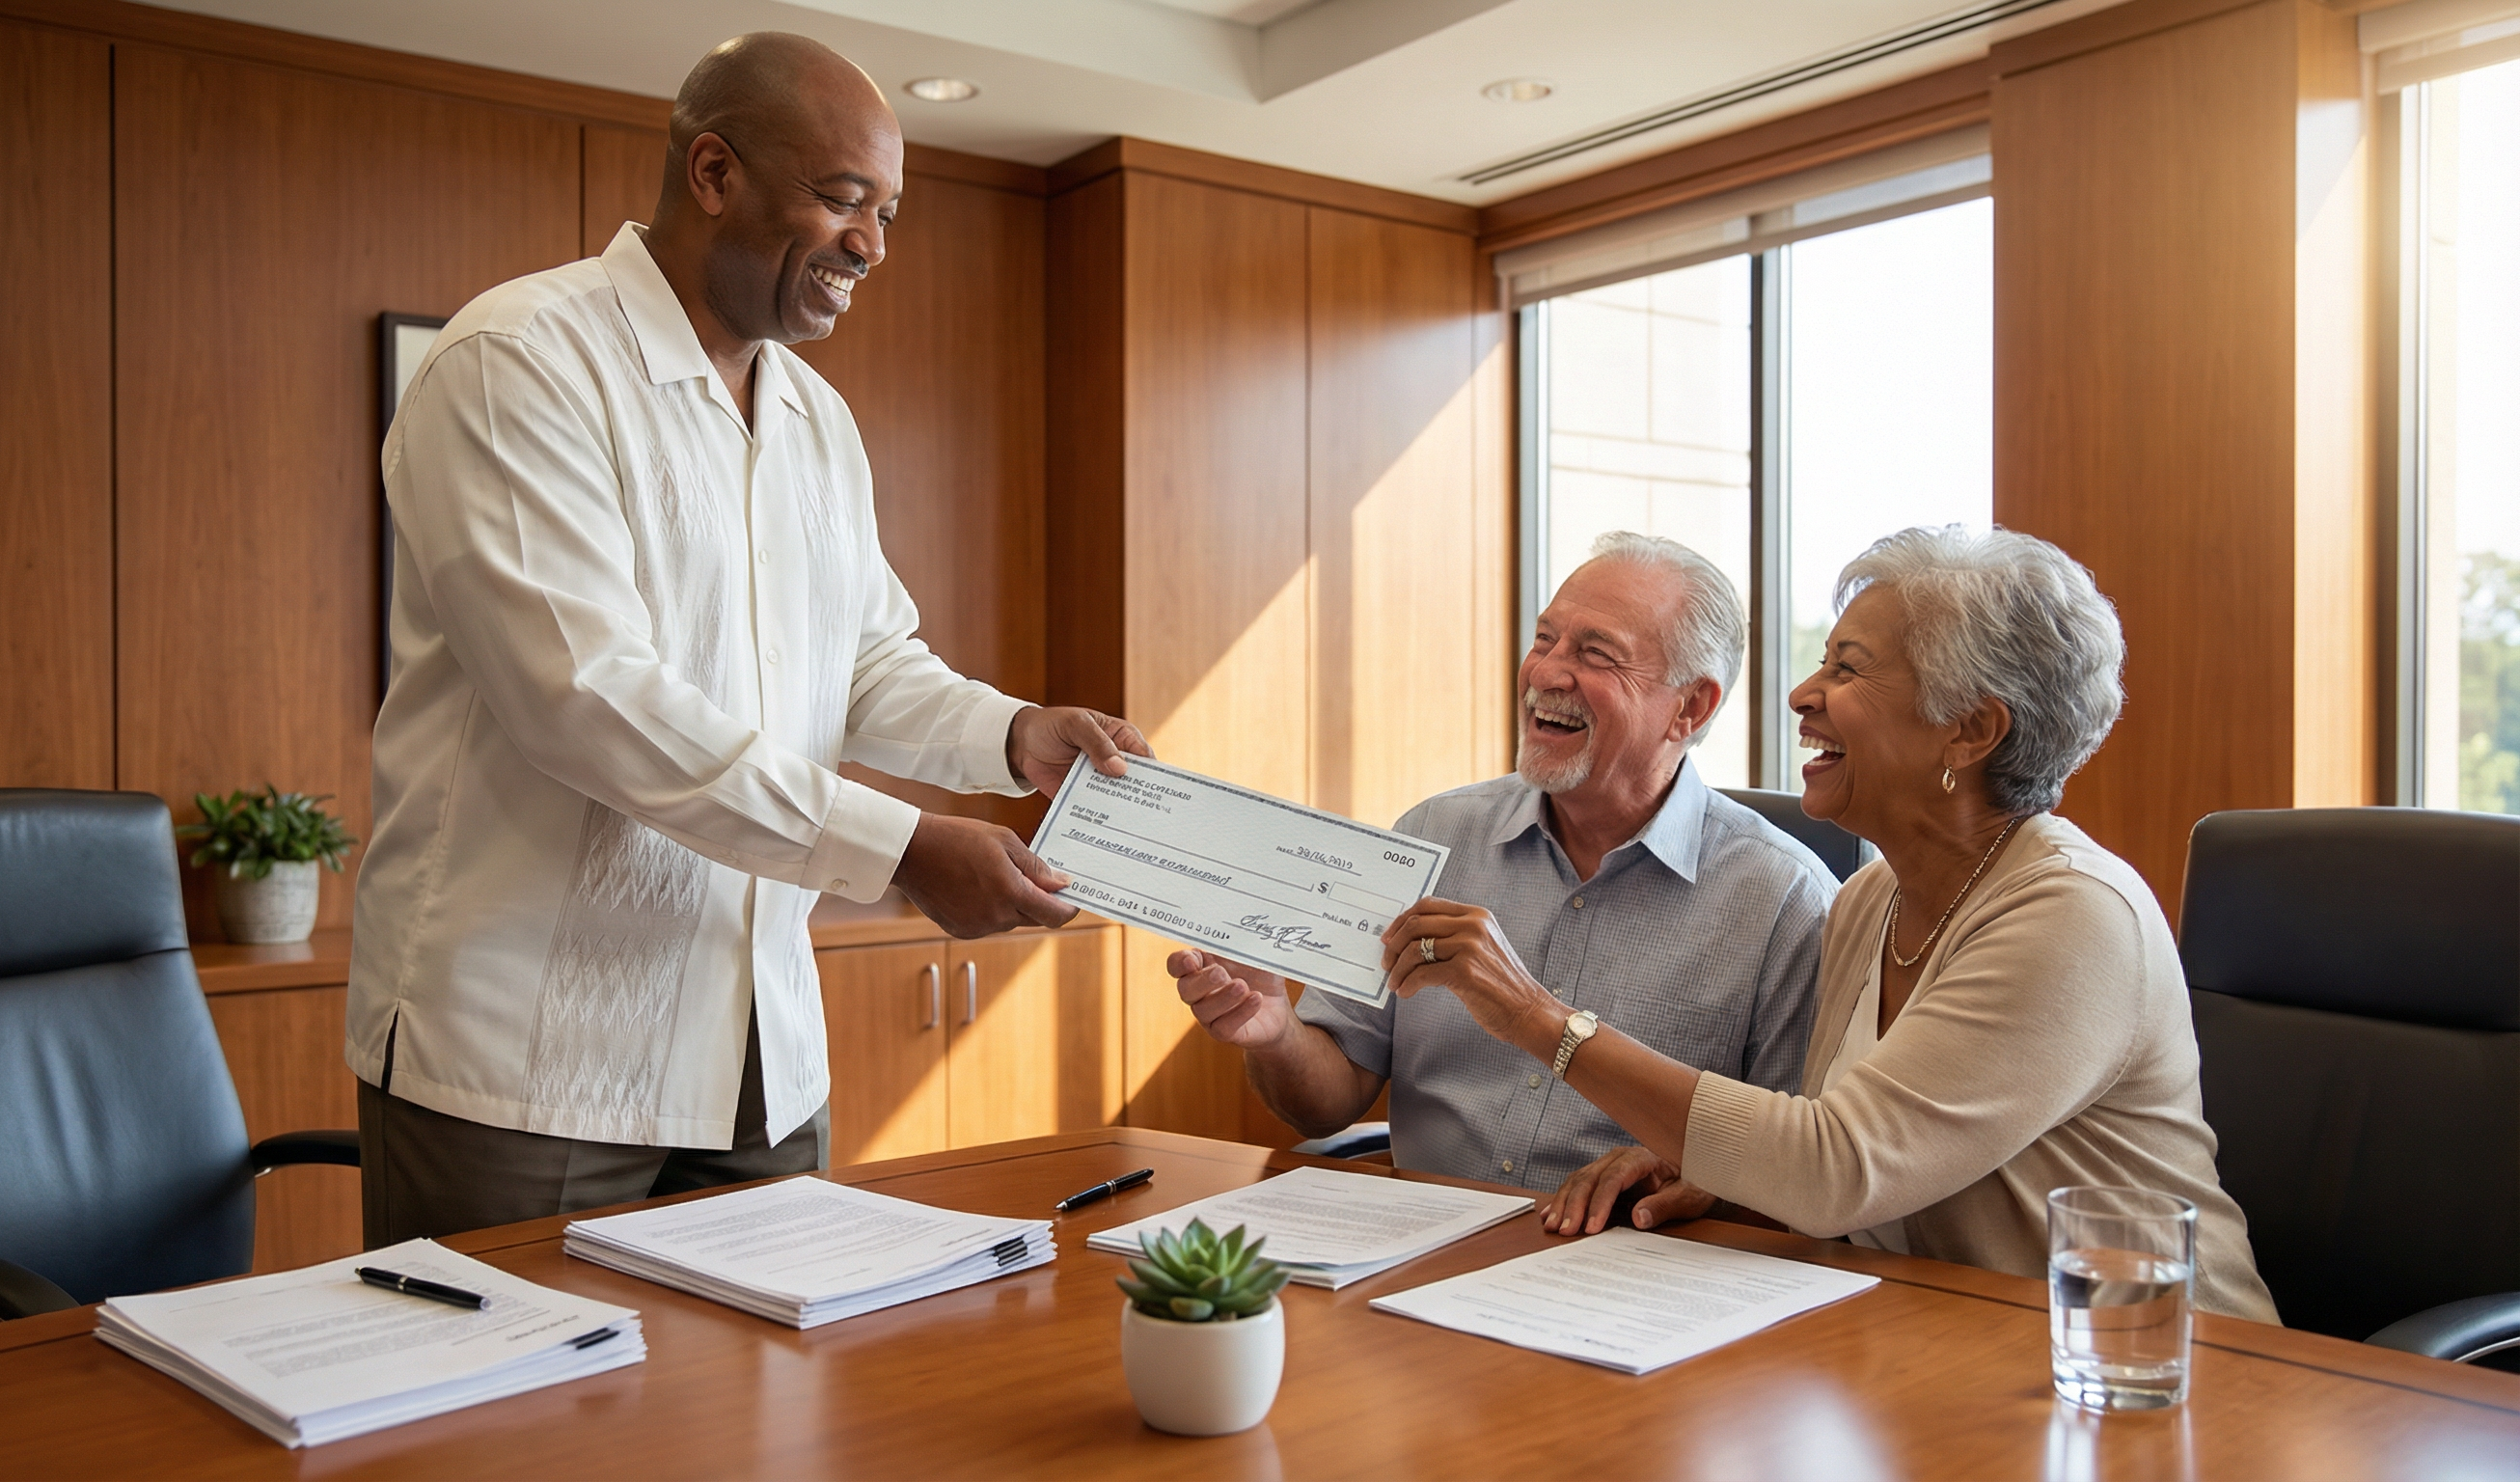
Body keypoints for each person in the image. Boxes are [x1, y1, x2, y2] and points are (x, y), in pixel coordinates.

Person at [347, 34, 1147, 1244]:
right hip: (533, 1064)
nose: (872, 244)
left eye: (886, 211)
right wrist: (900, 848)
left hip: (759, 1061)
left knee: (767, 1430)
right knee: (514, 1432)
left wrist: (1016, 735)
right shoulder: (519, 364)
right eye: (840, 199)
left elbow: (867, 660)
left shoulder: (816, 419)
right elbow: (588, 699)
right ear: (712, 172)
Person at [1391, 526, 2276, 1321]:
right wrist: (1704, 1173)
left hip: (2155, 1371)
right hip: (1934, 1342)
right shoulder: (1870, 897)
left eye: (1847, 669)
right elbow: (1830, 1155)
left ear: (1969, 731)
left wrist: (1536, 1019)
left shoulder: (2076, 915)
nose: (1803, 694)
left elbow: (1835, 1170)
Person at [1167, 534, 1834, 1190]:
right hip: (1419, 1251)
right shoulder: (1434, 835)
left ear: (1690, 706)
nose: (1545, 673)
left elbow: (1797, 1170)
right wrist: (1277, 1031)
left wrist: (1688, 1171)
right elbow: (1325, 1103)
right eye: (1545, 640)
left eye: (1596, 654)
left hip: (1632, 1269)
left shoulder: (1785, 900)